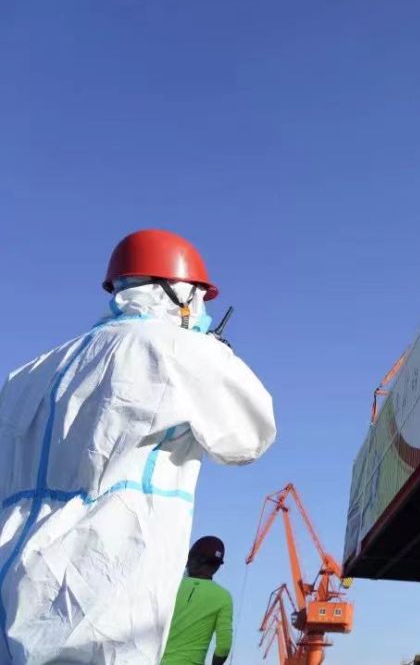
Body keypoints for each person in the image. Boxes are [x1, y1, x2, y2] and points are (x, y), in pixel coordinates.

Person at [0, 229, 276, 664]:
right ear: (180, 292)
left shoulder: (29, 372)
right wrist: (212, 349)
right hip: (97, 603)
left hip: (12, 593)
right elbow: (250, 437)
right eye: (201, 299)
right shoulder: (175, 350)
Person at [161, 536, 233, 665]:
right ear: (217, 567)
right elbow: (224, 647)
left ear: (193, 559)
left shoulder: (170, 586)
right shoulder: (223, 597)